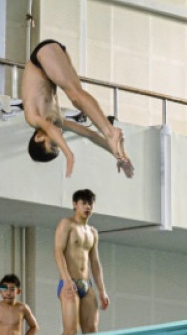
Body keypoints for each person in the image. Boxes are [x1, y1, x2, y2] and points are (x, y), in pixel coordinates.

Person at [20, 39, 133, 178]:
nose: (59, 140)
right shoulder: (57, 121)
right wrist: (120, 157)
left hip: (41, 57)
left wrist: (69, 155)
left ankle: (110, 132)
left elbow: (50, 129)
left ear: (38, 137)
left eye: (53, 144)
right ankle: (111, 133)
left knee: (75, 96)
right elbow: (91, 135)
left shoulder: (32, 118)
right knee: (77, 95)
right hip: (53, 58)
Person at [54, 189, 108, 335]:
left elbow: (95, 263)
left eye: (90, 204)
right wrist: (66, 280)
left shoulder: (93, 232)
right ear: (74, 204)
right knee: (71, 331)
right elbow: (58, 252)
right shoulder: (67, 224)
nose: (87, 207)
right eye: (83, 203)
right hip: (69, 282)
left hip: (86, 284)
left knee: (91, 330)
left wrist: (102, 291)